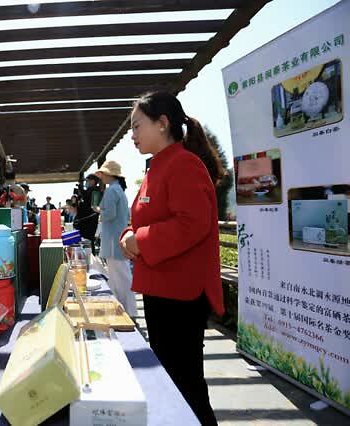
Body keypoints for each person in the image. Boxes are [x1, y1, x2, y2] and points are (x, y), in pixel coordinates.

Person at [119, 91, 225, 426]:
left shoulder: (183, 164)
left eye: (137, 126)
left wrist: (141, 239)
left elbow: (193, 223)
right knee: (175, 381)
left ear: (163, 124)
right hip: (161, 288)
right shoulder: (157, 167)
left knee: (186, 385)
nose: (132, 135)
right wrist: (129, 235)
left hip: (181, 294)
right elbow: (147, 219)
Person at [95, 160, 137, 318]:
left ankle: (128, 310)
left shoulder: (112, 190)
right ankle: (125, 309)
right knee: (120, 276)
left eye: (103, 174)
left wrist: (99, 211)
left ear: (109, 175)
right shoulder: (119, 190)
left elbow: (110, 214)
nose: (102, 177)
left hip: (113, 240)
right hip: (118, 237)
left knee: (120, 276)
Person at [73, 175, 101, 253]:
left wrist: (81, 189)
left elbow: (88, 200)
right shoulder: (90, 190)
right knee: (84, 242)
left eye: (87, 181)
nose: (86, 183)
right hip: (84, 221)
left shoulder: (95, 190)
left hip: (89, 222)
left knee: (88, 241)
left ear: (93, 181)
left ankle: (90, 257)